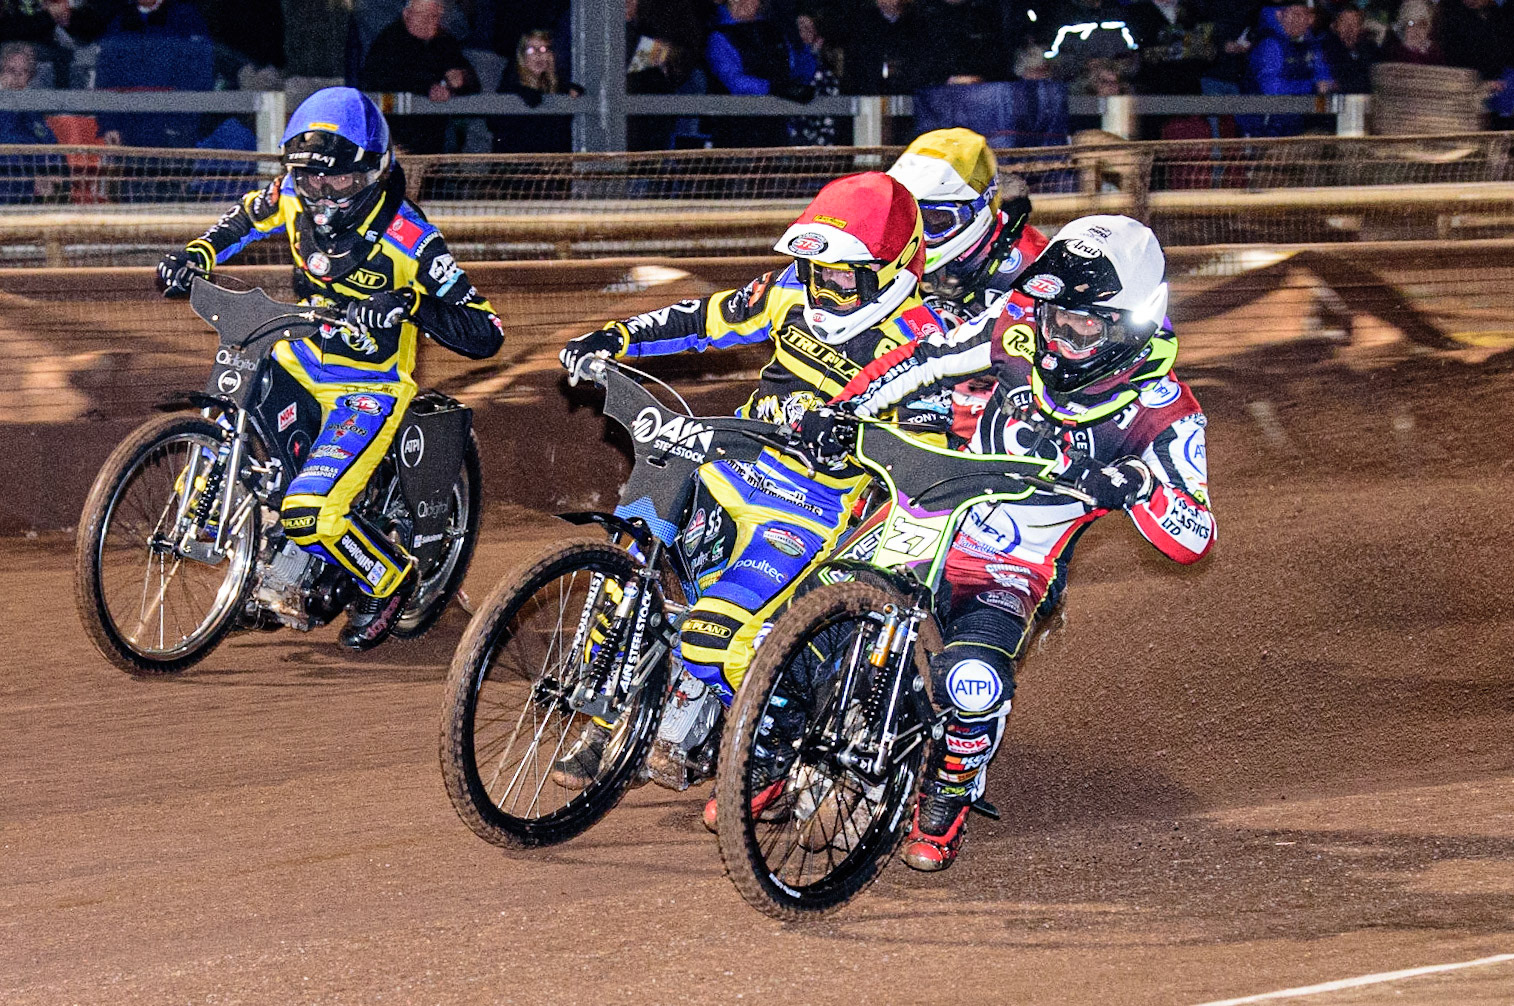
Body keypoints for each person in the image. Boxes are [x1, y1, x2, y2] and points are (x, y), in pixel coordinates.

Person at [556, 172, 946, 826]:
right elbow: (703, 320)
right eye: (815, 268)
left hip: (815, 503)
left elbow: (939, 436)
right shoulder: (791, 290)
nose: (824, 287)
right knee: (635, 542)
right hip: (732, 458)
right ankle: (605, 708)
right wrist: (614, 338)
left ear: (897, 269)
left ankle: (774, 741)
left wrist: (861, 431)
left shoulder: (926, 337)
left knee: (713, 631)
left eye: (844, 276)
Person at [828, 215, 1214, 871]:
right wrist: (844, 409)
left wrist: (1138, 485)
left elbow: (1196, 536)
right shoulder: (1014, 326)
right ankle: (765, 752)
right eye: (1054, 316)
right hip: (930, 517)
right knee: (815, 607)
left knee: (970, 681)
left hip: (1014, 566)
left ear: (1133, 322)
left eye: (1083, 324)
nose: (1059, 336)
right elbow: (926, 357)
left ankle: (944, 799)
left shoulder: (1165, 411)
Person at [155, 87, 503, 650]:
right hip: (295, 358)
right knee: (223, 416)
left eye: (336, 179)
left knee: (309, 512)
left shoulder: (410, 237)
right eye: (309, 177)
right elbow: (246, 217)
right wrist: (197, 254)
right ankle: (244, 549)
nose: (320, 191)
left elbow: (487, 332)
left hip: (367, 388)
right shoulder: (292, 192)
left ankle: (387, 578)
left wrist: (411, 304)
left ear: (371, 171)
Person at [359, 0, 479, 154]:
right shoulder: (389, 41)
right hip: (396, 136)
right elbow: (384, 79)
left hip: (434, 138)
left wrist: (461, 79)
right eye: (422, 16)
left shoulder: (444, 42)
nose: (429, 21)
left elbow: (471, 82)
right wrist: (427, 88)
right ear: (406, 14)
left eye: (434, 16)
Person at [1243, 4, 1333, 136]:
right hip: (1268, 125)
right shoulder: (1270, 44)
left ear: (1310, 19)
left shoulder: (1313, 46)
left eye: (1301, 14)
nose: (1296, 19)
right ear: (1280, 16)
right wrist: (1312, 87)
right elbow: (1271, 89)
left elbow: (1324, 79)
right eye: (1292, 13)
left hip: (1301, 122)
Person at [488, 29, 583, 154]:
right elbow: (493, 122)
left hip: (552, 164)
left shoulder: (557, 87)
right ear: (522, 55)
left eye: (543, 49)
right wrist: (523, 95)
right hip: (518, 164)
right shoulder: (510, 86)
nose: (538, 55)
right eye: (531, 50)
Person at [1320, 5, 1379, 94]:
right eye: (1345, 22)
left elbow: (1371, 80)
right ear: (1335, 26)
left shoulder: (1370, 48)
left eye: (1354, 23)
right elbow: (1331, 80)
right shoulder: (1327, 48)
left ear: (1360, 27)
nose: (1349, 27)